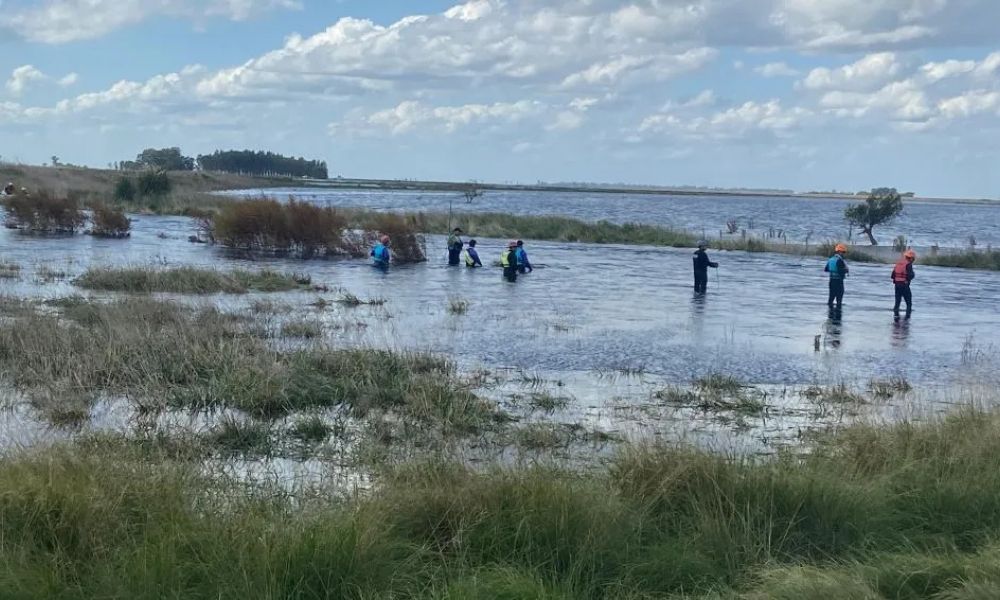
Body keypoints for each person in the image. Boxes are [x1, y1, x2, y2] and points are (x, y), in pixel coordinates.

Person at [891, 249, 916, 319]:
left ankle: (895, 318)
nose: (913, 260)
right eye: (913, 259)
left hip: (897, 285)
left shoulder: (898, 263)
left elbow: (892, 275)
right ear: (911, 258)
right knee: (909, 303)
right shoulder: (908, 264)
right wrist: (912, 275)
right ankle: (907, 319)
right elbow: (910, 275)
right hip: (904, 285)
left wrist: (896, 281)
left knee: (897, 303)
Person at [825, 243, 850, 309]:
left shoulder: (831, 259)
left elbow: (826, 269)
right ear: (839, 252)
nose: (844, 254)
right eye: (843, 252)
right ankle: (838, 316)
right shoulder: (840, 260)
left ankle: (830, 314)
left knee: (831, 298)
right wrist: (846, 270)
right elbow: (840, 271)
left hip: (831, 281)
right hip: (838, 282)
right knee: (839, 299)